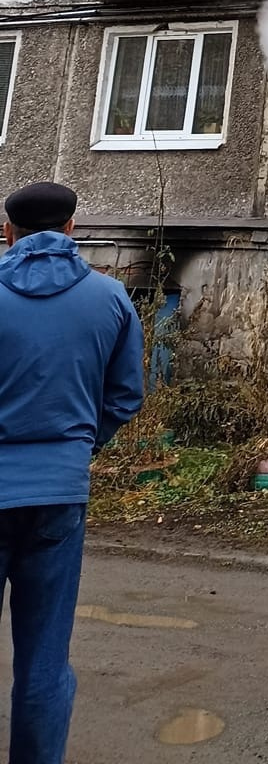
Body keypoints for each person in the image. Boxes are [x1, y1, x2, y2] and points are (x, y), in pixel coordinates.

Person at [0, 182, 143, 764]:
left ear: (7, 232)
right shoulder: (110, 299)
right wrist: (79, 446)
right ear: (71, 230)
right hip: (59, 494)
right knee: (44, 660)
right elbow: (125, 396)